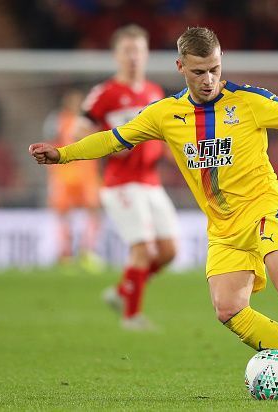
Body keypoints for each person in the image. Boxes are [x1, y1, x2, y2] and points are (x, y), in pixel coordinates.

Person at [30, 27, 278, 397]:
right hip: (223, 228)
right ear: (181, 67)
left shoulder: (250, 102)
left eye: (215, 69)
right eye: (200, 71)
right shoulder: (163, 114)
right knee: (228, 310)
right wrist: (63, 154)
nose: (208, 80)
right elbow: (113, 139)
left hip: (264, 209)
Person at [72, 24, 178, 330]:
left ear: (146, 55)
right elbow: (79, 131)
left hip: (150, 182)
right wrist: (108, 144)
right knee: (142, 250)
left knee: (169, 252)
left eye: (139, 51)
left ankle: (122, 291)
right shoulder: (104, 94)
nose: (134, 57)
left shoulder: (154, 93)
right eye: (127, 51)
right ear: (116, 55)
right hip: (120, 183)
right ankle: (131, 317)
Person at [42, 89, 102, 270]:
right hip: (66, 175)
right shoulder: (58, 121)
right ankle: (66, 254)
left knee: (93, 212)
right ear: (66, 103)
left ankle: (86, 252)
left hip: (86, 174)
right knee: (65, 215)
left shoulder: (88, 121)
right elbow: (48, 145)